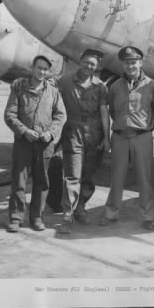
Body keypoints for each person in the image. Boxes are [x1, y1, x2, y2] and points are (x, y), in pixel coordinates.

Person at [99, 46, 154, 230]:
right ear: (123, 65)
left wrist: (145, 128)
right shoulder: (116, 87)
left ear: (140, 63)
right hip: (119, 137)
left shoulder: (152, 86)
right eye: (127, 63)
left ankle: (148, 216)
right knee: (116, 178)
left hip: (142, 137)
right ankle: (111, 214)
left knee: (145, 179)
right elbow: (112, 111)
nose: (130, 66)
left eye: (134, 62)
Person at [4, 55, 67, 232]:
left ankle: (37, 217)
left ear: (49, 71)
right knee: (19, 181)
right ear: (33, 68)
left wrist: (51, 133)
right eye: (39, 68)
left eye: (45, 69)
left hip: (45, 144)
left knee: (42, 182)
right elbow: (10, 114)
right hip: (23, 142)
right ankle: (16, 218)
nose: (42, 72)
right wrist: (24, 131)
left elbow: (60, 115)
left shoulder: (53, 91)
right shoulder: (19, 88)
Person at [57, 49, 111, 234]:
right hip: (73, 131)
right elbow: (49, 93)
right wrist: (20, 83)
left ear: (97, 67)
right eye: (87, 62)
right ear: (80, 61)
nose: (89, 66)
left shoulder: (101, 87)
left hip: (94, 134)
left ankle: (81, 207)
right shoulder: (64, 81)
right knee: (72, 175)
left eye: (93, 65)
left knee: (88, 175)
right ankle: (67, 214)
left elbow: (104, 113)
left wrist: (106, 138)